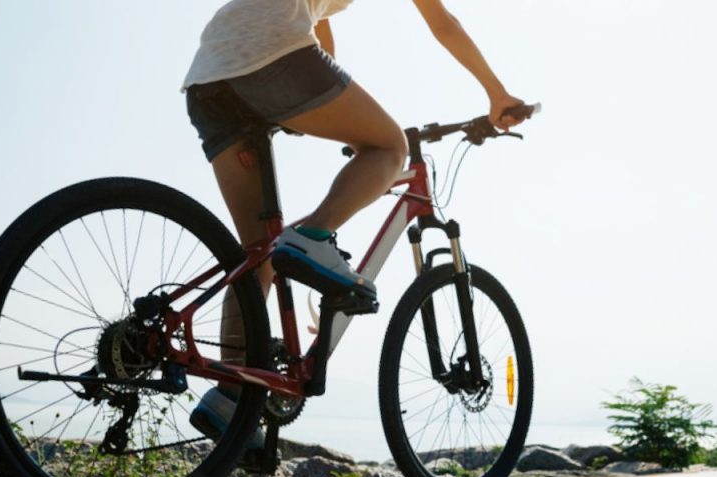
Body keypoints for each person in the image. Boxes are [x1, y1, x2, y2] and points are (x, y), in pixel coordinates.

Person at [183, 0, 526, 440]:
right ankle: (312, 237)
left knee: (258, 256)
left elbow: (322, 38)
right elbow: (444, 23)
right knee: (390, 147)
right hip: (273, 49)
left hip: (209, 73)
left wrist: (328, 110)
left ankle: (231, 399)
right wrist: (497, 94)